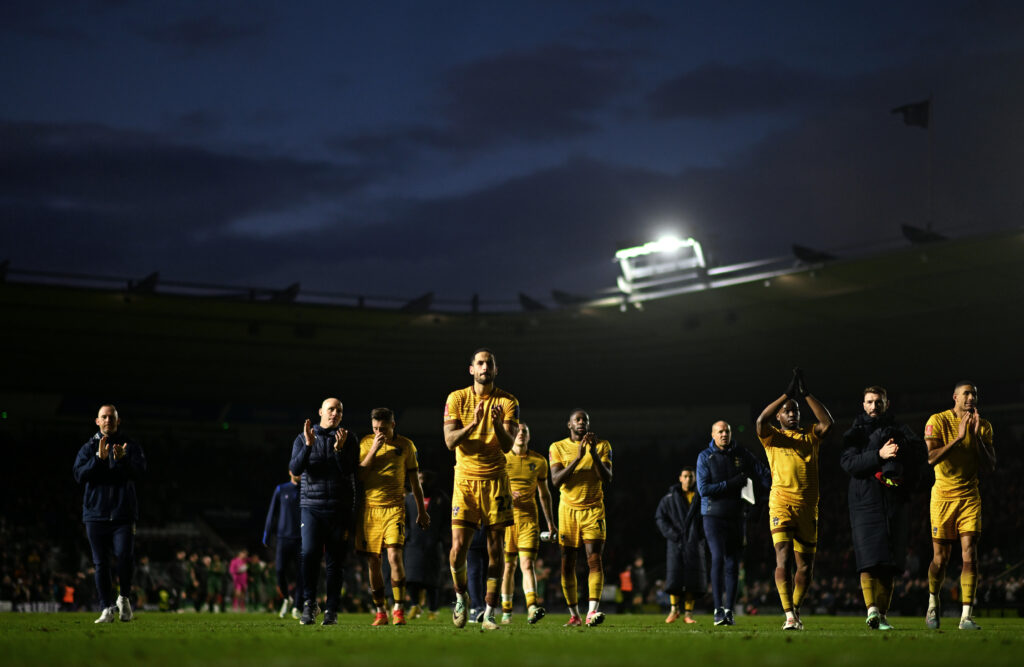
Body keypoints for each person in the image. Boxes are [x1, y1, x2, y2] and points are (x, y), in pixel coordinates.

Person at [443, 348, 518, 631]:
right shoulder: (457, 398)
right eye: (480, 363)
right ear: (472, 369)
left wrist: (497, 424)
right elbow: (450, 442)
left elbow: (509, 445)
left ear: (495, 370)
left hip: (496, 480)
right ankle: (461, 597)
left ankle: (488, 613)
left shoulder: (509, 401)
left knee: (495, 549)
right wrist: (474, 423)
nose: (485, 367)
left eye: (490, 363)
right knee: (458, 548)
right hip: (464, 481)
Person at [755, 368, 833, 630]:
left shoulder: (810, 435)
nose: (791, 413)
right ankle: (788, 614)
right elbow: (760, 420)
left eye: (795, 410)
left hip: (808, 507)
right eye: (787, 410)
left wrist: (806, 394)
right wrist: (786, 394)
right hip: (781, 502)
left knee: (805, 568)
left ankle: (796, 609)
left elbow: (828, 423)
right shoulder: (772, 437)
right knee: (783, 556)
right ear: (779, 416)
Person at [841, 385, 924, 630]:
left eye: (878, 401)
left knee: (890, 561)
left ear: (886, 404)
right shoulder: (855, 433)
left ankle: (883, 615)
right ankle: (872, 610)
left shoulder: (901, 431)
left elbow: (920, 455)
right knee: (868, 558)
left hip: (894, 500)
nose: (874, 406)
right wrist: (879, 454)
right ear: (863, 405)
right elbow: (848, 463)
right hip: (865, 501)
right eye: (869, 401)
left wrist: (902, 460)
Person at [923, 381, 995, 631]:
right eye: (966, 393)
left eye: (974, 394)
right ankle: (933, 601)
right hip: (942, 497)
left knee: (969, 555)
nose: (971, 398)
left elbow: (990, 465)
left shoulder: (983, 426)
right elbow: (931, 458)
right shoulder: (938, 420)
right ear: (955, 397)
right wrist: (958, 438)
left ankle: (966, 616)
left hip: (969, 497)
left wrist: (975, 439)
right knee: (940, 560)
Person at [73, 404, 147, 623]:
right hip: (95, 514)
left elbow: (141, 472)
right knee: (101, 563)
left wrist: (123, 460)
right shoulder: (88, 447)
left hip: (123, 514)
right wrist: (98, 460)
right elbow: (78, 475)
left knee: (124, 556)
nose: (107, 420)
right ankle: (106, 608)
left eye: (111, 417)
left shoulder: (130, 445)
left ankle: (123, 597)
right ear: (97, 421)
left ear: (118, 420)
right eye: (103, 417)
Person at [289, 397, 359, 626]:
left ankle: (332, 610)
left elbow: (350, 471)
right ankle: (309, 603)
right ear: (320, 411)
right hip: (311, 507)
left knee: (334, 562)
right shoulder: (303, 437)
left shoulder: (349, 439)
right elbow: (295, 469)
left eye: (339, 410)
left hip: (339, 509)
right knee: (309, 554)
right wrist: (309, 446)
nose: (335, 413)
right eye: (331, 409)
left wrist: (339, 451)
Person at [356, 407, 429, 626]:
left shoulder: (406, 446)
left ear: (393, 425)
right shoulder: (366, 443)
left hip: (395, 508)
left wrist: (422, 511)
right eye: (376, 428)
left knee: (395, 556)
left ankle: (398, 609)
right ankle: (380, 611)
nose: (380, 432)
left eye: (384, 428)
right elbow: (359, 475)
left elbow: (415, 482)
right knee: (373, 562)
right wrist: (374, 450)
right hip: (370, 509)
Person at [696, 420, 771, 626]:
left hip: (737, 516)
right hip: (713, 515)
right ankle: (717, 609)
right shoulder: (705, 457)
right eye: (720, 432)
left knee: (733, 564)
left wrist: (776, 485)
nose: (724, 435)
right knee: (718, 558)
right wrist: (732, 483)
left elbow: (762, 471)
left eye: (727, 431)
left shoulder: (741, 453)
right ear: (712, 434)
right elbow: (704, 490)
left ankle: (729, 610)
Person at [549, 409, 613, 628]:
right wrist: (578, 457)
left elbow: (607, 477)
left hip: (593, 509)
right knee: (567, 563)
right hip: (567, 510)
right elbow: (556, 481)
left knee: (594, 560)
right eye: (577, 420)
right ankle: (574, 614)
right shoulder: (557, 447)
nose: (581, 422)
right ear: (569, 425)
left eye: (585, 420)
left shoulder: (603, 446)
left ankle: (591, 613)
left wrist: (592, 453)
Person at [500, 423, 556, 624]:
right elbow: (491, 489)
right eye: (518, 431)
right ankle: (507, 611)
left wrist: (550, 522)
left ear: (529, 437)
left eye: (525, 431)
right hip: (506, 521)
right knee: (508, 566)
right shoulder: (502, 458)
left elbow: (544, 494)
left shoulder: (539, 461)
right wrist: (506, 494)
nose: (521, 433)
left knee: (527, 564)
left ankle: (532, 607)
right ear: (511, 435)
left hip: (529, 521)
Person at [656, 467, 707, 625]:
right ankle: (674, 610)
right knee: (674, 577)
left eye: (691, 476)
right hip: (676, 543)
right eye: (685, 476)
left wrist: (700, 535)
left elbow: (707, 517)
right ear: (680, 478)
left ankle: (688, 614)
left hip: (694, 543)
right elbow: (660, 518)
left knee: (693, 578)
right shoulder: (669, 498)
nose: (688, 479)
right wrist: (673, 535)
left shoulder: (701, 496)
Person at [405, 470, 450, 620]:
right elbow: (403, 519)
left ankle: (433, 610)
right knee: (411, 578)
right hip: (413, 544)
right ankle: (414, 605)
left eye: (425, 479)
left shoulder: (440, 498)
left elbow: (447, 519)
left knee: (432, 580)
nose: (422, 482)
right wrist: (407, 536)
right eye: (419, 479)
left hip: (433, 543)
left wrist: (442, 537)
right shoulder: (409, 499)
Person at [263, 471, 303, 619]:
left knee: (302, 574)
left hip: (300, 539)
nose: (298, 473)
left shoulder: (306, 489)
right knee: (279, 570)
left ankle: (297, 606)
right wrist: (266, 534)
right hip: (283, 538)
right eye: (296, 471)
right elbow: (271, 512)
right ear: (290, 472)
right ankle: (287, 597)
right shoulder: (281, 489)